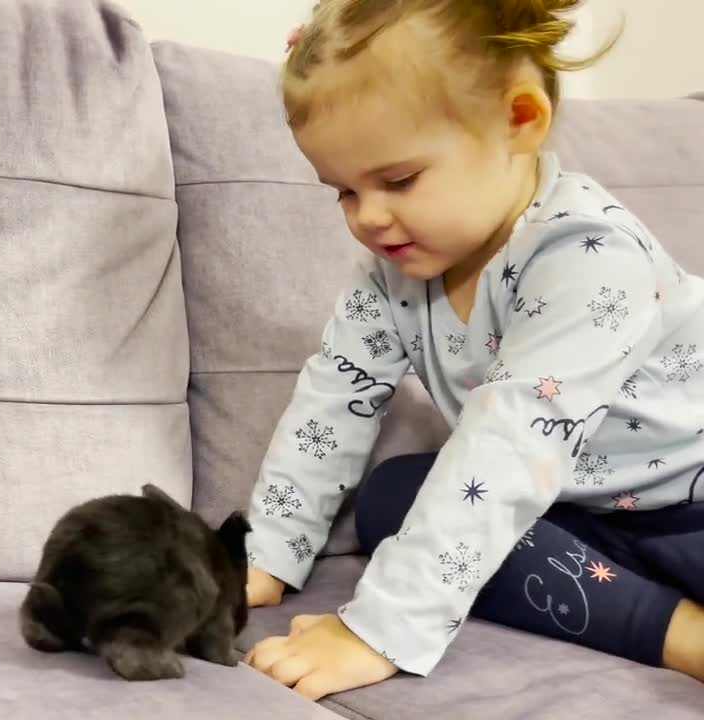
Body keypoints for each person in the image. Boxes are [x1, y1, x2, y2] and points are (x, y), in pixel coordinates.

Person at [241, 0, 704, 701]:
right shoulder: (390, 278)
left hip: (691, 500)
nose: (367, 217)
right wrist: (265, 552)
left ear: (519, 121)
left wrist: (378, 628)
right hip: (588, 514)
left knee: (479, 488)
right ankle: (676, 626)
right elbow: (332, 399)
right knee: (394, 497)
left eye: (398, 181)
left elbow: (510, 443)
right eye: (343, 190)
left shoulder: (590, 256)